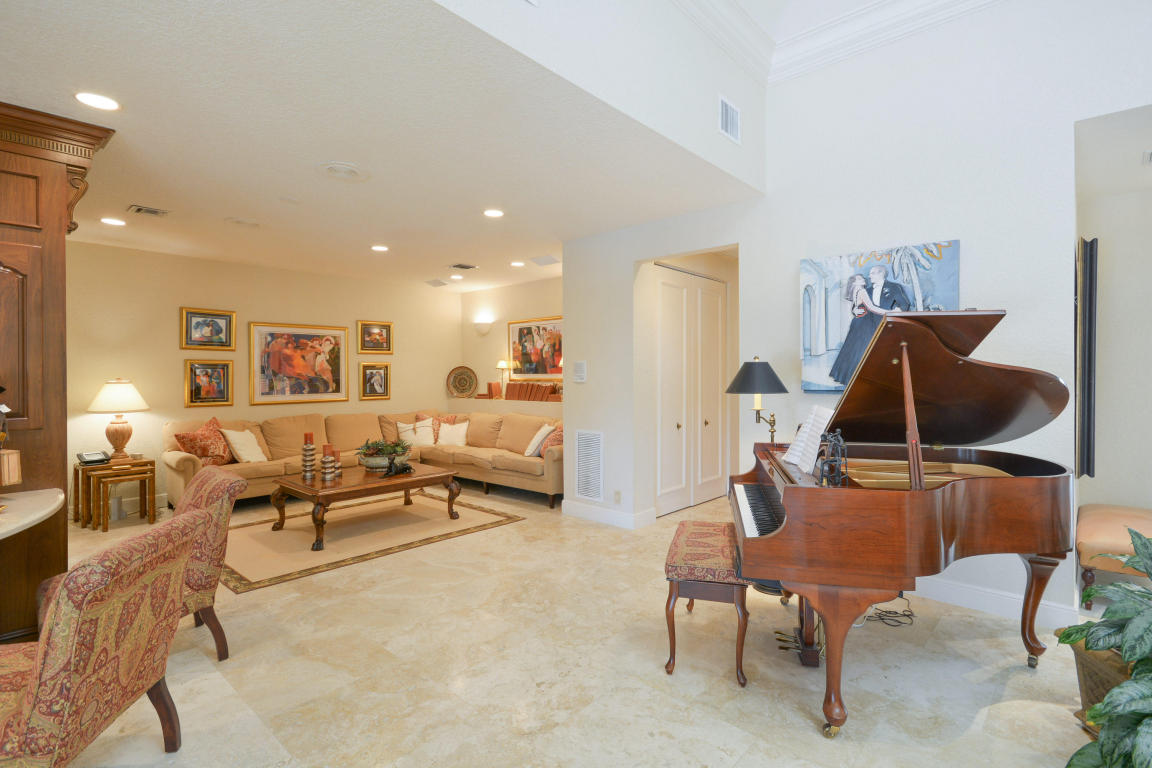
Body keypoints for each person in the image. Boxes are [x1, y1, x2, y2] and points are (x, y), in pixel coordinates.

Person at [828, 273, 896, 385]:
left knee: (854, 350)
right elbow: (872, 308)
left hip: (858, 322)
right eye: (860, 278)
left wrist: (854, 311)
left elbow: (856, 307)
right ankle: (860, 378)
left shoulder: (855, 291)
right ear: (854, 282)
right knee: (863, 350)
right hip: (864, 324)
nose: (863, 279)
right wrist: (890, 312)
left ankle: (849, 377)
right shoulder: (862, 291)